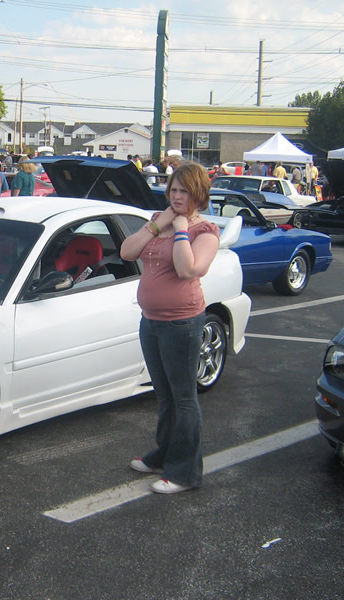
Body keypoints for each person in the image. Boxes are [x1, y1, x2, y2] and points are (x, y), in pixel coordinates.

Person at [120, 162, 220, 494]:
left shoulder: (204, 231)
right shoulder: (158, 221)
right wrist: (156, 225)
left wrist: (179, 230)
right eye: (173, 190)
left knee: (184, 398)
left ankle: (184, 473)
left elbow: (187, 268)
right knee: (164, 395)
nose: (177, 196)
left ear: (198, 194)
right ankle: (163, 455)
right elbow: (127, 252)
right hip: (151, 320)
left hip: (181, 323)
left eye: (184, 191)